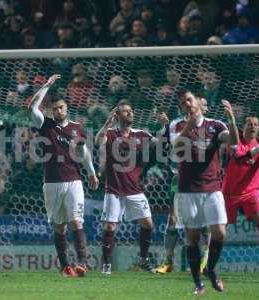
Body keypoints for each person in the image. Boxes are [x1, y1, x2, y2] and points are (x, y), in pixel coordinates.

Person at [28, 74, 99, 277]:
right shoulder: (45, 124)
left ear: (67, 108)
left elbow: (83, 153)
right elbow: (32, 108)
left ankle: (82, 263)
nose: (59, 111)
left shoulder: (77, 128)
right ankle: (65, 266)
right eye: (55, 108)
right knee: (59, 227)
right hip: (51, 183)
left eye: (62, 107)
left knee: (76, 221)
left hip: (74, 181)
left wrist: (92, 174)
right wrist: (46, 86)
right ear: (51, 110)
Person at [171, 90, 237, 295]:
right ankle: (198, 283)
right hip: (188, 190)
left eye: (189, 100)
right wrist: (190, 125)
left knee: (220, 232)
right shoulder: (176, 125)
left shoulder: (216, 125)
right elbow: (177, 149)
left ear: (199, 101)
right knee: (192, 237)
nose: (187, 104)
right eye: (183, 103)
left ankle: (211, 269)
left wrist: (232, 119)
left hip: (212, 188)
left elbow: (233, 141)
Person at [95, 100, 156, 275]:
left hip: (135, 189)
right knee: (110, 228)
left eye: (131, 110)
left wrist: (165, 128)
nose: (129, 113)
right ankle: (106, 265)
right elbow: (99, 140)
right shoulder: (112, 134)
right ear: (117, 115)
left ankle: (143, 260)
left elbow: (160, 143)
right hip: (114, 189)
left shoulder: (141, 134)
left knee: (148, 223)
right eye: (125, 111)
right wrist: (107, 122)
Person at [154, 98, 211, 274]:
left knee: (204, 223)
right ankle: (168, 262)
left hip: (203, 179)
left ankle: (206, 261)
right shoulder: (176, 124)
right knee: (173, 220)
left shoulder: (212, 126)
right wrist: (164, 128)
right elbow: (158, 143)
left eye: (203, 104)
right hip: (179, 178)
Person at [222, 115, 259, 240]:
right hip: (229, 193)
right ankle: (207, 255)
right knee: (219, 231)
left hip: (251, 192)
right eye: (249, 124)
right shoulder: (235, 142)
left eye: (256, 124)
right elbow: (239, 157)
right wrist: (258, 149)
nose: (253, 127)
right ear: (242, 127)